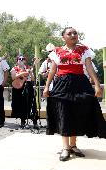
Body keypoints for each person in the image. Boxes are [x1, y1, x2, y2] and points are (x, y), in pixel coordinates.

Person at [43, 27, 106, 161]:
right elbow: (53, 70)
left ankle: (73, 145)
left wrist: (97, 85)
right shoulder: (57, 51)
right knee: (64, 113)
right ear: (63, 37)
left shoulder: (84, 50)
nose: (73, 35)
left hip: (80, 83)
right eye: (69, 33)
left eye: (75, 33)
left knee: (77, 113)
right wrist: (47, 87)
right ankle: (65, 148)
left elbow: (89, 68)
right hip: (62, 84)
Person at [11, 55, 38, 129]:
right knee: (21, 104)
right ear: (17, 61)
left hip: (28, 85)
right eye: (19, 59)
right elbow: (13, 77)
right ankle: (23, 121)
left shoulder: (29, 68)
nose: (21, 60)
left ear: (25, 61)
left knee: (32, 104)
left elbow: (33, 79)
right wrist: (23, 73)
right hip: (19, 87)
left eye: (23, 59)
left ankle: (35, 121)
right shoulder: (14, 68)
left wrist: (31, 72)